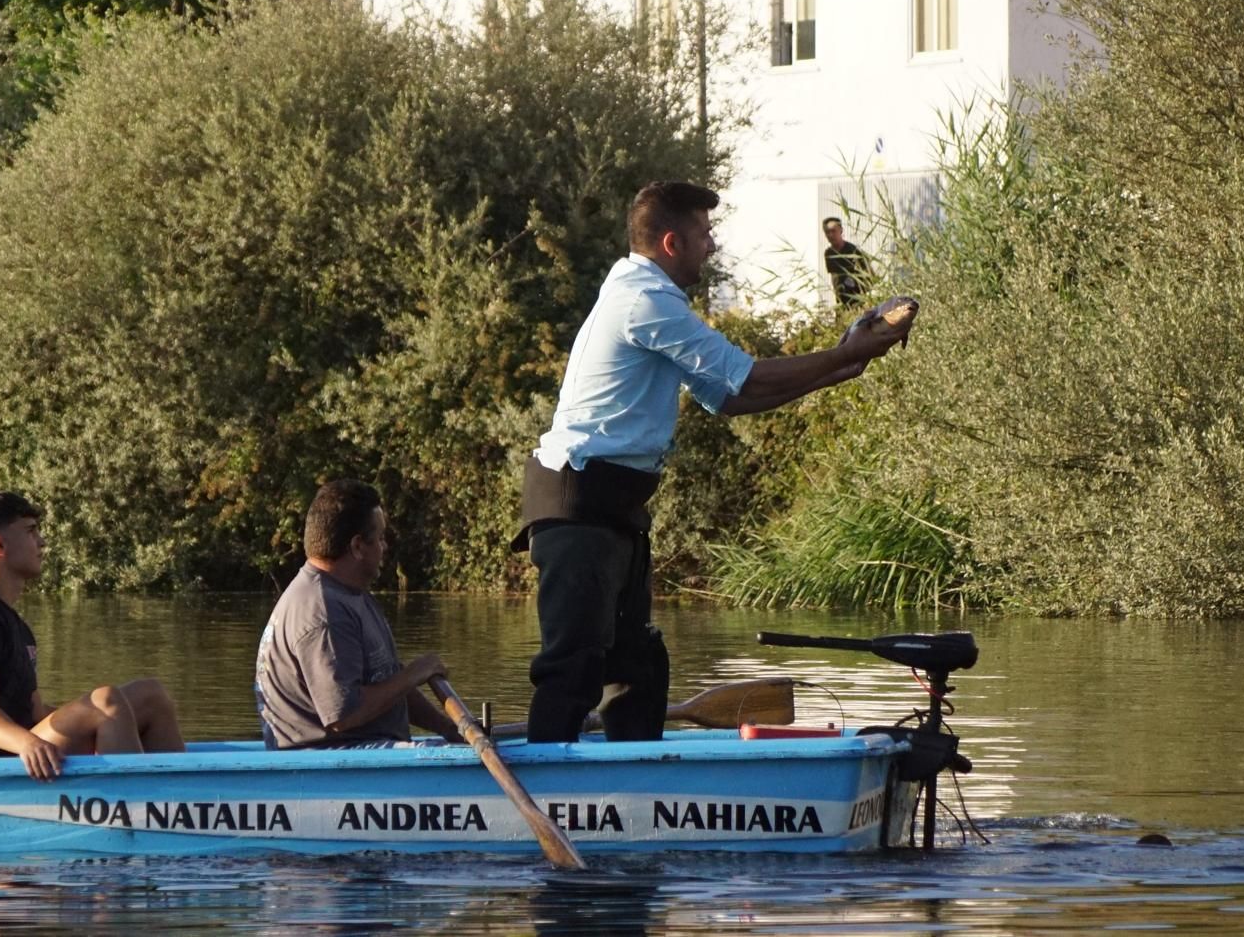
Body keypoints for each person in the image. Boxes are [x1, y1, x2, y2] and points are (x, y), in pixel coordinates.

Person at [517, 181, 915, 743]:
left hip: (613, 509)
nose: (714, 245)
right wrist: (847, 351)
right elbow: (747, 375)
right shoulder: (642, 300)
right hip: (577, 504)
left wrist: (841, 367)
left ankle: (640, 789)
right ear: (674, 242)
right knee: (574, 667)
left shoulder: (653, 297)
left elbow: (732, 398)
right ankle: (551, 796)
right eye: (706, 234)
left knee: (638, 669)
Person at [0, 489, 185, 780]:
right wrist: (28, 742)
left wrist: (100, 724)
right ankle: (138, 811)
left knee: (149, 695)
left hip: (15, 747)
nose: (41, 542)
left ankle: (186, 800)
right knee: (106, 702)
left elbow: (36, 711)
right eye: (31, 531)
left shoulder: (12, 620)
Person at [254, 479, 462, 749]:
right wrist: (415, 673)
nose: (385, 547)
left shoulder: (348, 594)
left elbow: (389, 688)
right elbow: (343, 713)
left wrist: (448, 728)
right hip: (330, 763)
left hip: (367, 750)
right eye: (380, 538)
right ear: (357, 546)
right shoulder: (323, 611)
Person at [822, 216, 874, 308]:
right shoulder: (829, 253)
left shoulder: (853, 251)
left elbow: (871, 276)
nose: (830, 235)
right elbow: (834, 277)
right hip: (841, 300)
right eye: (827, 232)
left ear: (841, 231)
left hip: (858, 300)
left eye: (833, 231)